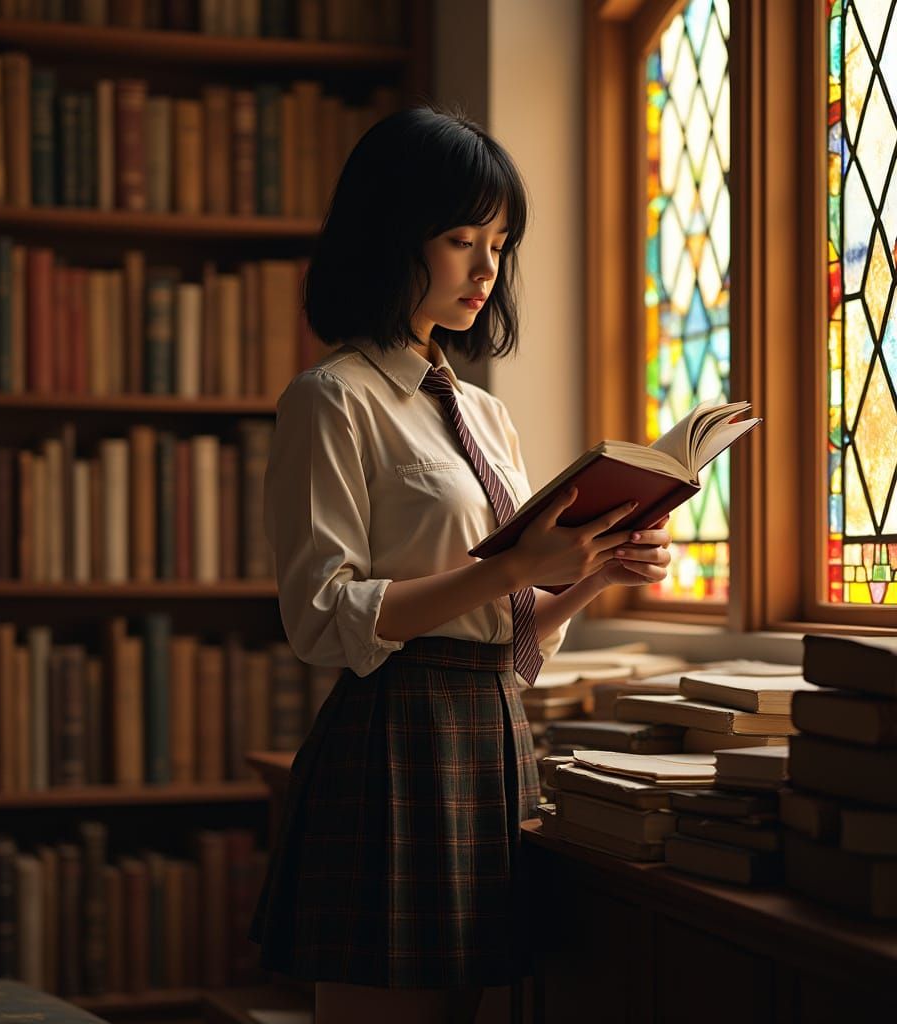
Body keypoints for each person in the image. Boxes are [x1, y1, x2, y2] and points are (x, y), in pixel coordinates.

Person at [248, 104, 672, 1024]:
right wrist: (516, 566)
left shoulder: (486, 414)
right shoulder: (331, 399)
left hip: (493, 729)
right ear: (393, 235)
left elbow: (505, 638)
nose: (487, 269)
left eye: (500, 243)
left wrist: (592, 571)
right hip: (393, 739)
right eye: (460, 239)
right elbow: (322, 615)